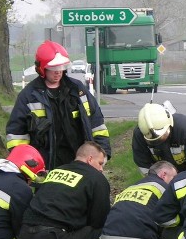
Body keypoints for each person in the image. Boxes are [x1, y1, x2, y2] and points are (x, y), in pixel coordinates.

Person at [6, 41, 111, 170]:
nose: (58, 72)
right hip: (46, 166)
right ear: (42, 69)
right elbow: (17, 135)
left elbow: (97, 124)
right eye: (53, 69)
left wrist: (102, 155)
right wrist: (28, 166)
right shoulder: (29, 96)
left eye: (61, 68)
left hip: (80, 163)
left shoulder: (78, 90)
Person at [18, 141, 110, 239]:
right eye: (100, 164)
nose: (101, 169)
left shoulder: (55, 171)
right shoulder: (97, 178)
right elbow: (99, 221)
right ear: (89, 159)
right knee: (104, 230)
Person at [132, 102, 186, 175]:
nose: (159, 142)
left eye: (163, 136)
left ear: (169, 122)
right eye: (153, 141)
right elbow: (143, 164)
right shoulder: (139, 135)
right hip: (163, 175)